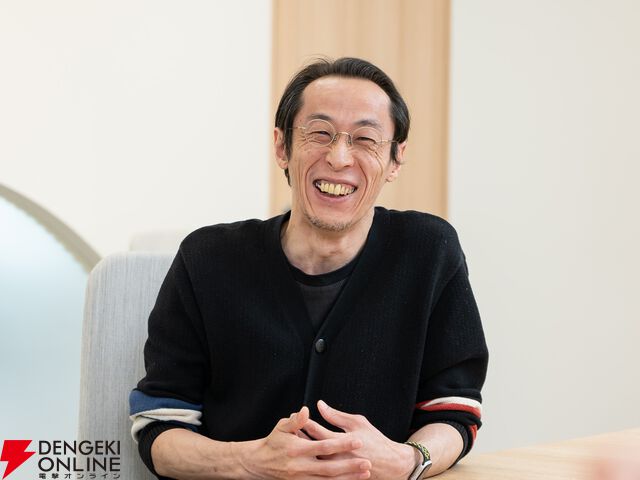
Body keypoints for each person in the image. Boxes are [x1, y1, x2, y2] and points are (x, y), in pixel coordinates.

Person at [129, 57, 488, 480]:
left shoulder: (429, 251)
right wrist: (251, 462)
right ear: (282, 146)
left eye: (366, 139)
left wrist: (409, 459)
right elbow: (159, 428)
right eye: (319, 133)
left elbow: (454, 411)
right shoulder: (206, 259)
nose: (339, 157)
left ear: (395, 159)